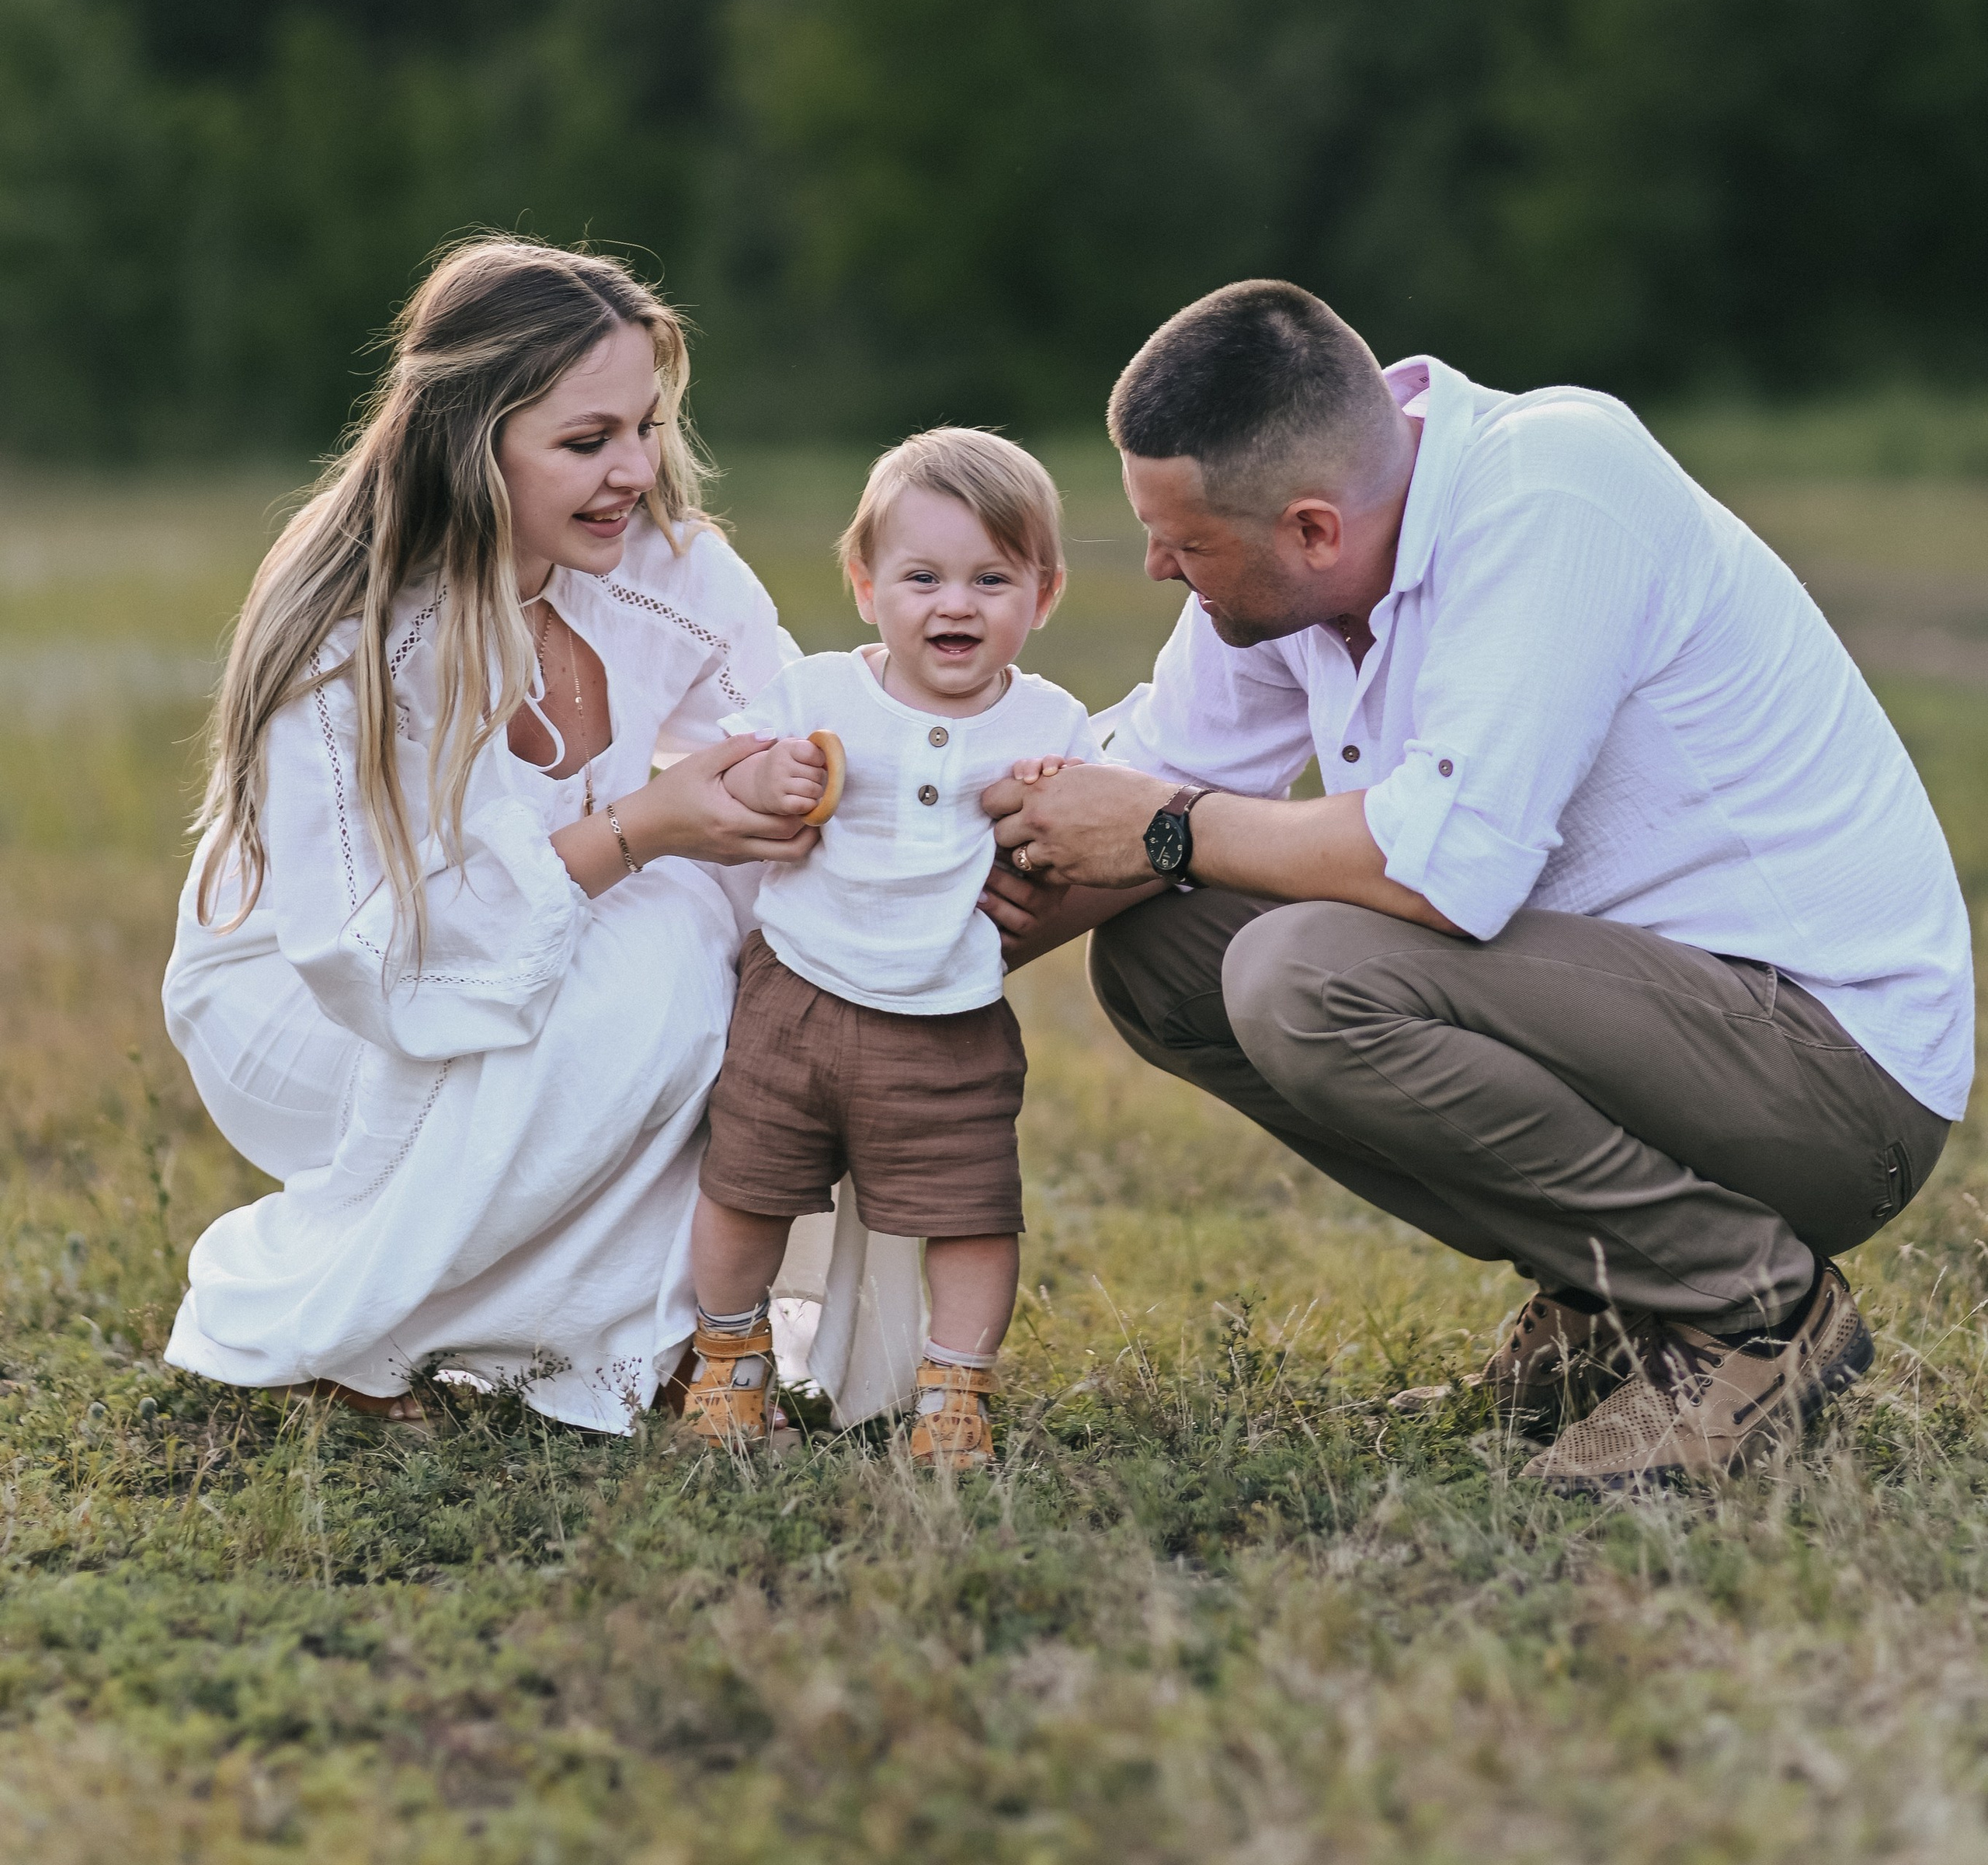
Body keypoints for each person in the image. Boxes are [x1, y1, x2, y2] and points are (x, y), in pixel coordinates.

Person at [982, 281, 1974, 1491]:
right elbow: (1121, 797)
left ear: (1310, 531)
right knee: (1162, 956)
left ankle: (1747, 1307)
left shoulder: (1555, 488)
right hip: (1637, 1026)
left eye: (1184, 546)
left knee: (1300, 974)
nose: (1151, 567)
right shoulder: (1298, 574)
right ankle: (1613, 1301)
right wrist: (845, 985)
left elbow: (1443, 870)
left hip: (1830, 1076)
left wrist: (1175, 831)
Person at [162, 237, 843, 1432]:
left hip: (537, 942)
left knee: (767, 950)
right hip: (315, 992)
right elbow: (372, 950)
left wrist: (808, 789)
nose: (635, 470)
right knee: (669, 948)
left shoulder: (666, 569)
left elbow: (796, 723)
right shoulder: (354, 628)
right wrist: (646, 827)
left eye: (645, 426)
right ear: (468, 445)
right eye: (587, 443)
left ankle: (666, 1331)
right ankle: (348, 1324)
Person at [681, 430, 1097, 1470]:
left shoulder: (1051, 720)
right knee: (746, 1186)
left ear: (1042, 597)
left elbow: (1086, 829)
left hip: (949, 1017)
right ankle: (727, 1360)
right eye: (923, 577)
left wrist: (1056, 800)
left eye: (990, 579)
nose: (955, 605)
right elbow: (721, 772)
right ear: (867, 586)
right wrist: (757, 781)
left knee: (970, 1210)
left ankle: (954, 1389)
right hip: (797, 998)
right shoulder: (819, 693)